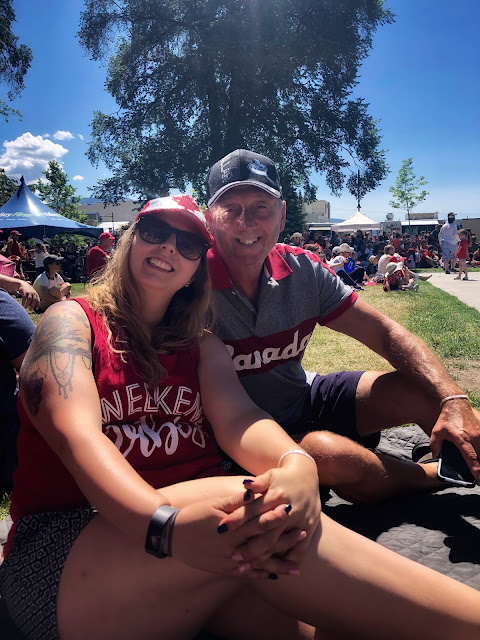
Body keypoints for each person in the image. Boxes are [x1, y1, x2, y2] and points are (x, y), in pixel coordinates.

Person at [2, 194, 480, 640]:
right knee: (254, 509)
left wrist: (296, 463)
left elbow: (240, 420)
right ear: (130, 240)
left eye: (188, 243)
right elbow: (76, 436)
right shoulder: (71, 321)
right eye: (155, 231)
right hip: (67, 552)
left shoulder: (201, 345)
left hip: (195, 549)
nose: (169, 246)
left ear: (197, 268)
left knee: (327, 620)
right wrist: (163, 525)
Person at [204, 149, 480, 505]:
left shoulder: (303, 270)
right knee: (328, 454)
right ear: (209, 219)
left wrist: (454, 400)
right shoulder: (188, 284)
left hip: (303, 397)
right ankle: (433, 476)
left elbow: (385, 333)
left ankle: (459, 456)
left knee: (427, 390)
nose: (246, 222)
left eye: (261, 207)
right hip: (237, 437)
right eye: (231, 209)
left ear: (282, 214)